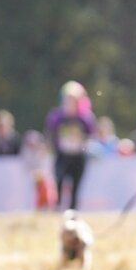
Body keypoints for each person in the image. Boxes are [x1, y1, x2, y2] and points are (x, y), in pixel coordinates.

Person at [45, 81, 96, 210]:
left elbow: (91, 134)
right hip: (62, 155)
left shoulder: (85, 117)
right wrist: (51, 147)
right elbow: (50, 133)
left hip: (78, 155)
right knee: (59, 180)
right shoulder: (57, 116)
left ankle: (72, 212)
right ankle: (57, 208)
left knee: (75, 185)